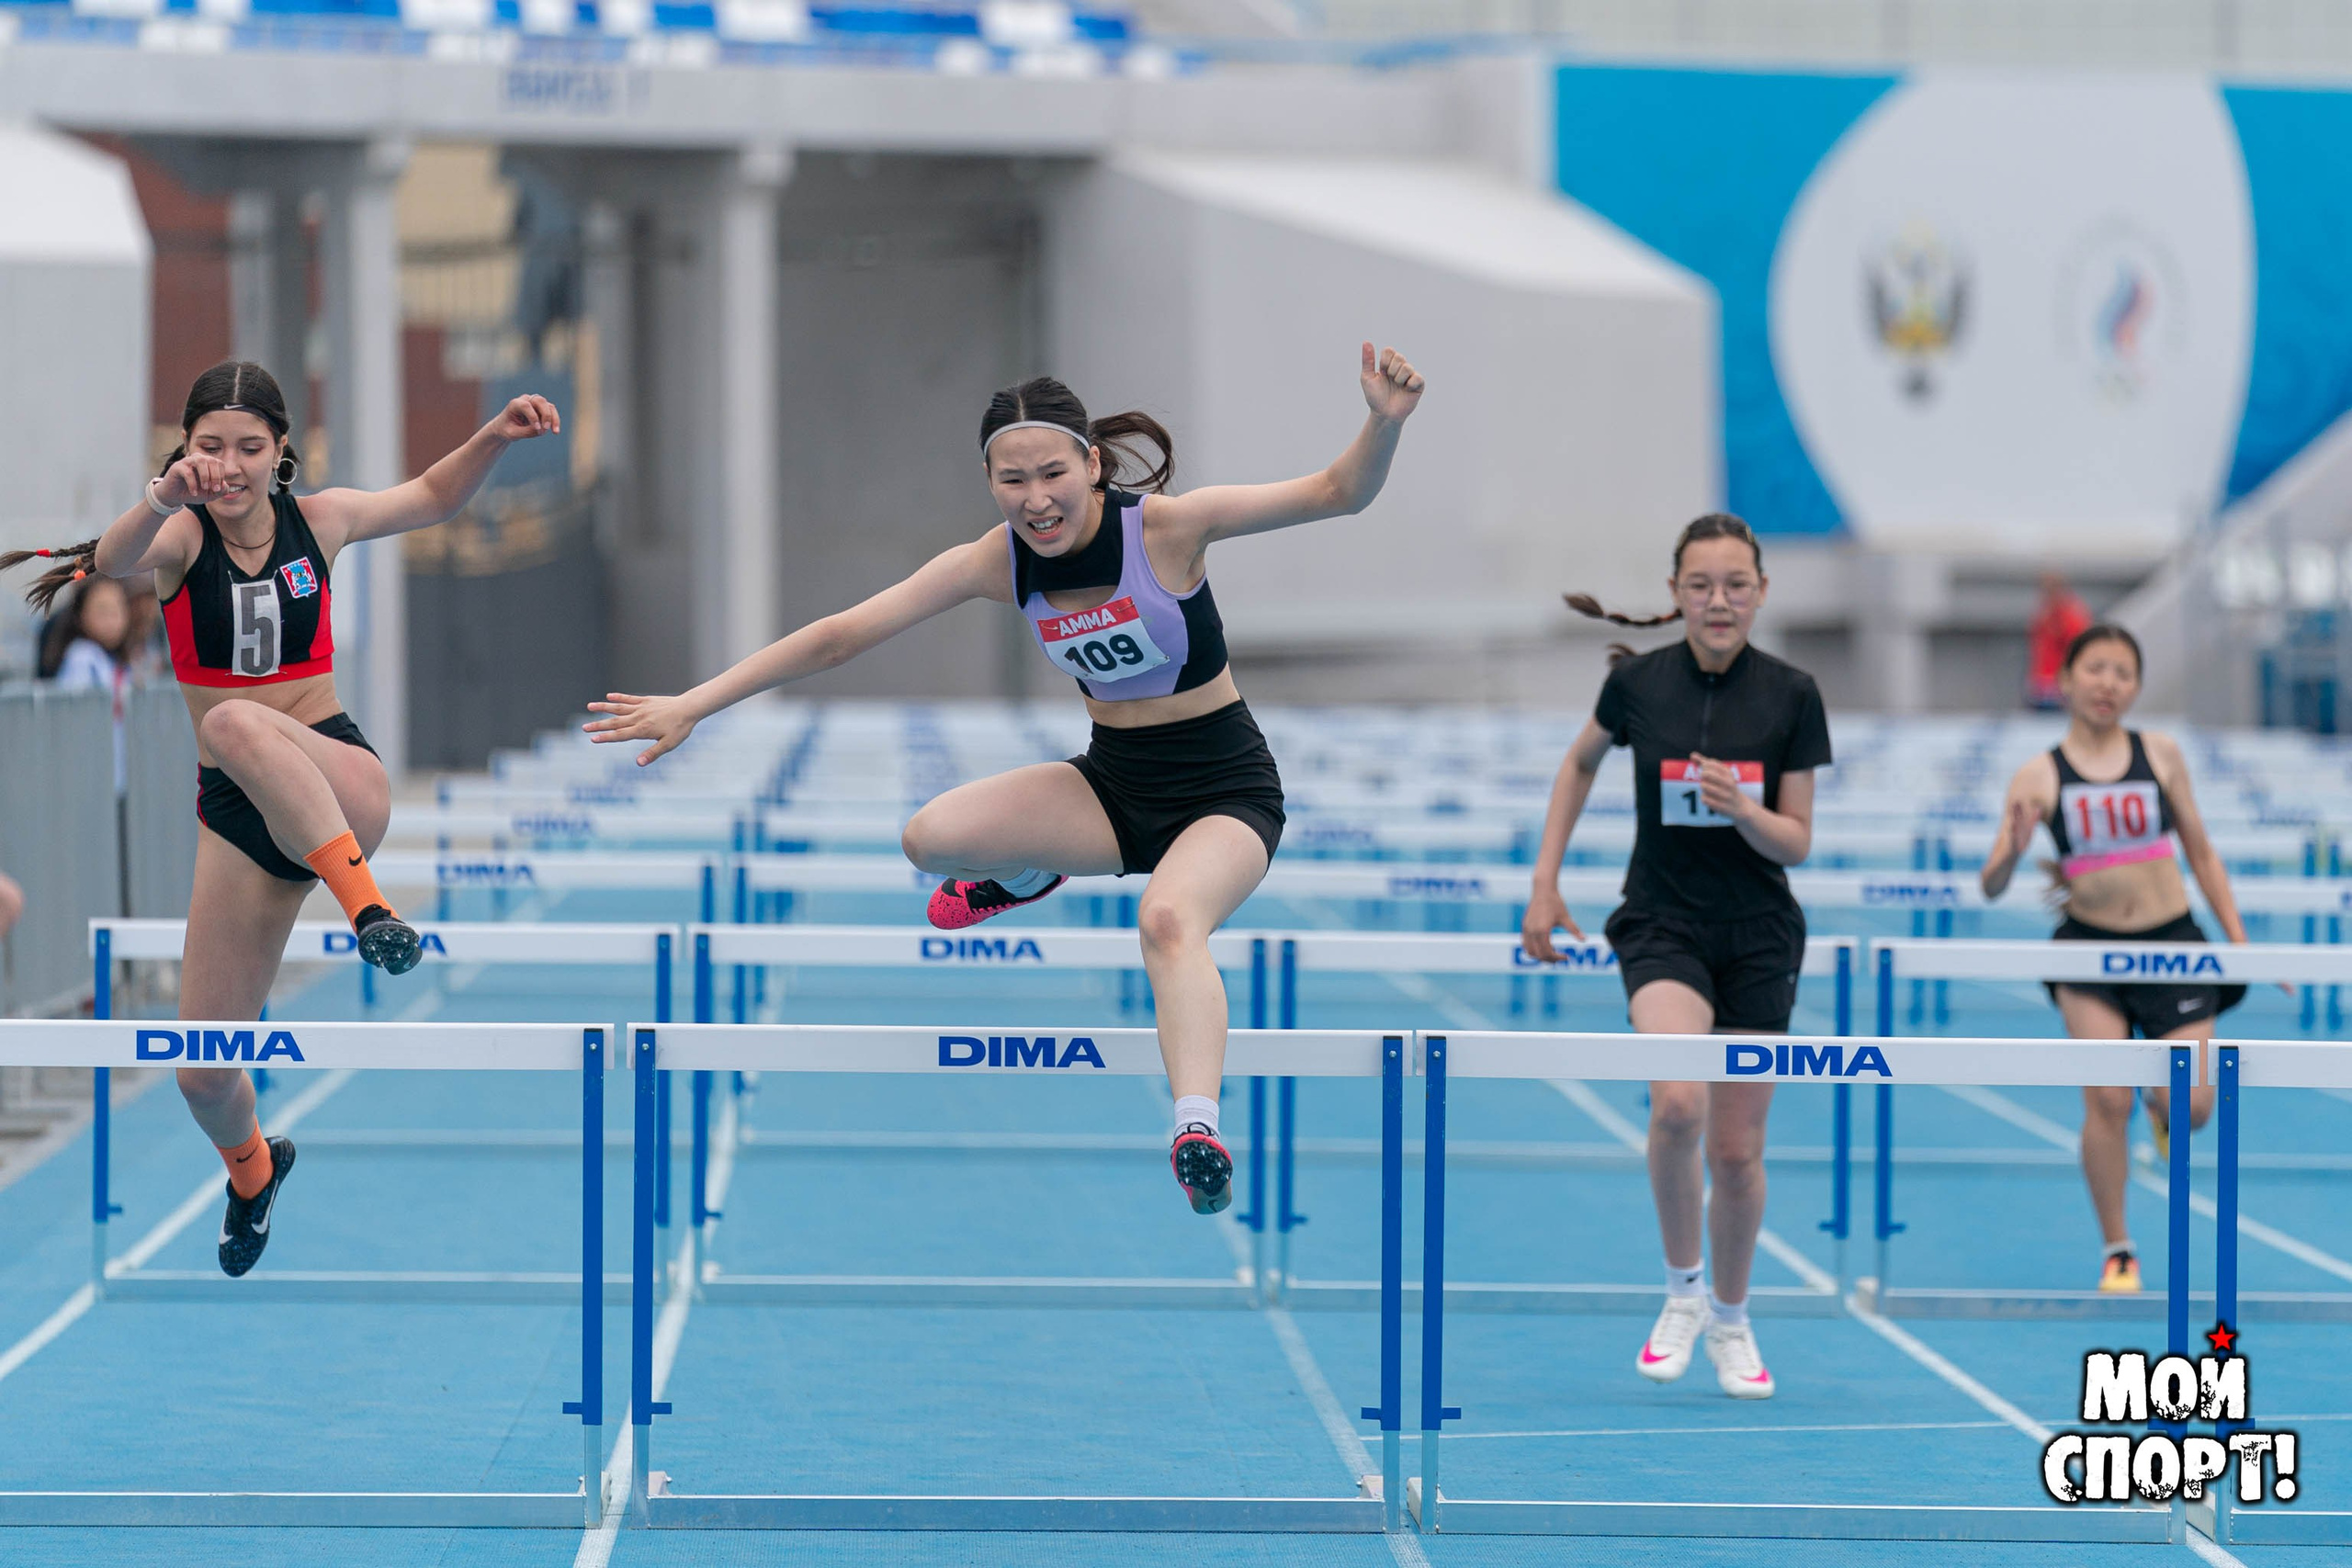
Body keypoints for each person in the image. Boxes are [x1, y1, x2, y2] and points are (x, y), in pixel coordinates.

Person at [585, 344, 1426, 1215]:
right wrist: (697, 701)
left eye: (1054, 473)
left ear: (1093, 463)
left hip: (1226, 792)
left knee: (1169, 920)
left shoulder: (1168, 529)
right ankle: (1029, 872)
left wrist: (1380, 423)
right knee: (929, 840)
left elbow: (1337, 492)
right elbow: (841, 634)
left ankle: (1196, 1126)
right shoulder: (1000, 560)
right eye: (1012, 480)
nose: (1036, 500)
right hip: (1110, 783)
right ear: (988, 480)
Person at [2, 360, 560, 1277]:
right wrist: (158, 496)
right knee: (203, 1071)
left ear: (280, 452)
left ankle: (369, 912)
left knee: (232, 721)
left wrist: (494, 437)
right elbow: (113, 559)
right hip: (242, 820)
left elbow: (427, 497)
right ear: (185, 451)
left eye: (247, 448)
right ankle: (255, 1174)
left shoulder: (322, 521)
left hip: (339, 778)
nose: (227, 464)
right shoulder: (178, 537)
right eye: (209, 446)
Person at [1522, 513, 1831, 1400]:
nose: (1720, 600)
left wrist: (1745, 809)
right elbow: (1577, 766)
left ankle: (1732, 1317)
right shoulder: (1638, 685)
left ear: (1762, 592)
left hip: (1760, 934)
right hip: (1661, 923)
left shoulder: (1794, 693)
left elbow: (1798, 841)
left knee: (1737, 1151)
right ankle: (1682, 1291)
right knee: (1678, 1103)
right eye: (1701, 585)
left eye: (1737, 584)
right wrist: (1545, 883)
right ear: (1676, 594)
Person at [1980, 624, 2245, 1292]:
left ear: (2136, 687)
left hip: (2172, 945)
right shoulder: (2039, 774)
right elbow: (1991, 883)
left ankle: (2164, 1112)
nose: (2108, 683)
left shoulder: (2161, 754)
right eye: (2095, 668)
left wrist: (2242, 944)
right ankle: (2118, 1245)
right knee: (2106, 1098)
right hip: (2090, 953)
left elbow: (2202, 853)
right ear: (2065, 680)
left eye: (2123, 672)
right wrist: (2011, 849)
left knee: (2193, 1105)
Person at [2025, 570, 2091, 711]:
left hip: (2059, 688)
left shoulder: (2070, 616)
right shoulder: (2044, 613)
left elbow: (2079, 651)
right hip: (2041, 686)